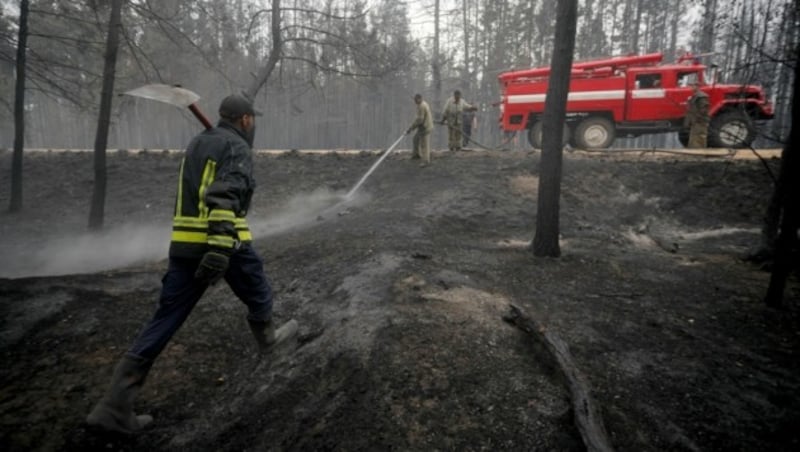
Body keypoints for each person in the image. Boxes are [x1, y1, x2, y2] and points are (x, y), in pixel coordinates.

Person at [86, 94, 299, 434]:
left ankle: (114, 405)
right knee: (257, 289)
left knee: (166, 317)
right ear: (245, 119)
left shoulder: (199, 142)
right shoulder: (236, 148)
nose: (253, 124)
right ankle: (270, 341)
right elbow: (223, 195)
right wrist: (218, 246)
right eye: (252, 120)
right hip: (223, 240)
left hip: (184, 244)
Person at [406, 93, 434, 166]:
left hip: (425, 127)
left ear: (419, 99)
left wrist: (411, 128)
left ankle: (425, 160)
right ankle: (416, 154)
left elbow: (420, 120)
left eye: (416, 100)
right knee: (415, 139)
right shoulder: (421, 104)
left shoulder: (422, 106)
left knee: (424, 144)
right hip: (422, 127)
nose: (415, 101)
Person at [685, 82, 710, 148]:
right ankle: (694, 152)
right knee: (694, 137)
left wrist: (699, 117)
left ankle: (699, 153)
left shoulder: (701, 97)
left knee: (700, 137)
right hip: (695, 121)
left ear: (697, 86)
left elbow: (704, 109)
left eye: (692, 86)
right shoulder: (695, 96)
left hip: (700, 121)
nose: (691, 88)